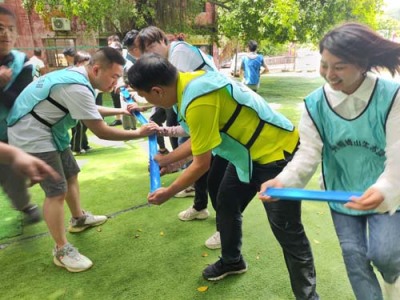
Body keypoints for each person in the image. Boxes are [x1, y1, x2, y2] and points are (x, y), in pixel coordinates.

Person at [128, 54, 318, 299]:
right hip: (245, 156)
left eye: (145, 96)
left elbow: (201, 163)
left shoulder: (197, 99)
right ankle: (232, 261)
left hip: (276, 156)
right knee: (226, 203)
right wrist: (171, 160)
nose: (145, 100)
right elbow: (199, 135)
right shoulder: (187, 84)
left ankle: (308, 296)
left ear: (157, 91)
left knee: (287, 230)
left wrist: (168, 192)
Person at [259, 22, 400, 300]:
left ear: (362, 64)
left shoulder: (392, 95)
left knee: (387, 256)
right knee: (354, 259)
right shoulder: (315, 104)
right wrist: (284, 181)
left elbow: (398, 152)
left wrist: (384, 190)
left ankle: (392, 279)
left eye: (339, 66)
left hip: (384, 191)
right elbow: (308, 154)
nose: (329, 74)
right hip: (341, 192)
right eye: (324, 64)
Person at [7, 47, 155, 273]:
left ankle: (78, 219)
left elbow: (88, 107)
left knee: (70, 172)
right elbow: (102, 132)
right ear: (96, 69)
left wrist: (122, 111)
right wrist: (138, 133)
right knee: (56, 189)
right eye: (114, 76)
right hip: (32, 133)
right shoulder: (76, 85)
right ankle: (61, 249)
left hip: (47, 129)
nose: (116, 82)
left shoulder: (77, 76)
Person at [135, 26, 219, 236]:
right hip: (217, 130)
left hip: (247, 145)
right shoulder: (187, 94)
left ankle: (226, 234)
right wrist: (173, 160)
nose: (151, 55)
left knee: (222, 187)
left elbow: (201, 157)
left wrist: (169, 189)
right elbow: (193, 136)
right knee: (208, 171)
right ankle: (202, 207)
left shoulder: (193, 94)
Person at [0, 6, 41, 224]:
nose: (5, 34)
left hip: (7, 134)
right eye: (0, 28)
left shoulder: (22, 62)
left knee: (13, 176)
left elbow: (18, 102)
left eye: (10, 29)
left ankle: (25, 205)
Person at [70, 51, 92, 154]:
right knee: (78, 126)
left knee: (84, 125)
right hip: (73, 103)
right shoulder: (73, 72)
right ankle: (76, 148)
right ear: (79, 62)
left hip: (81, 102)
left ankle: (84, 144)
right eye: (86, 62)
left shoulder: (83, 73)